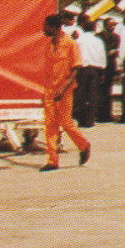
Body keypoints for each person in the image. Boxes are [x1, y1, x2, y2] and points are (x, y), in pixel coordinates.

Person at [38, 13, 91, 172]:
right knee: (50, 125)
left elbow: (76, 69)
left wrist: (63, 89)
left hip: (65, 90)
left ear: (54, 28)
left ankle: (83, 145)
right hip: (50, 90)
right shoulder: (48, 45)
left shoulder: (70, 43)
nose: (43, 29)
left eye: (45, 26)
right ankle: (52, 160)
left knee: (66, 122)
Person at [73, 14, 106, 128]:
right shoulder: (98, 41)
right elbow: (102, 56)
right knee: (93, 95)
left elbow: (75, 55)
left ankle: (80, 118)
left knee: (80, 94)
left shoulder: (78, 41)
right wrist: (102, 71)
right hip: (95, 70)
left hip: (82, 70)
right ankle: (90, 120)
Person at [96, 17, 120, 122]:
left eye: (114, 25)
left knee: (108, 91)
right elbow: (101, 51)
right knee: (100, 91)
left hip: (111, 66)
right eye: (111, 25)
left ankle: (107, 114)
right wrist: (109, 52)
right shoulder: (99, 37)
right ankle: (99, 114)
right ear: (105, 25)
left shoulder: (116, 37)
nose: (113, 27)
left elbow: (117, 50)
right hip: (101, 66)